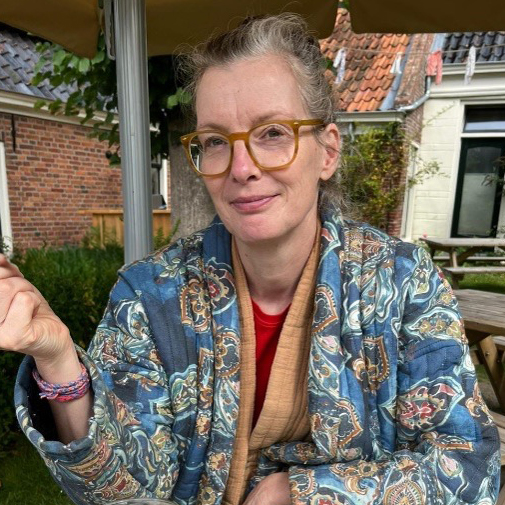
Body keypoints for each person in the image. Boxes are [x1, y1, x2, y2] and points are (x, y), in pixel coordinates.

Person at [0, 13, 500, 505]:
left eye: (273, 133)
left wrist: (299, 492)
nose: (242, 168)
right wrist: (57, 360)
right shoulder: (151, 296)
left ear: (327, 151)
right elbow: (121, 489)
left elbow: (470, 469)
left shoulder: (402, 283)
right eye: (217, 141)